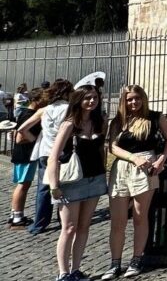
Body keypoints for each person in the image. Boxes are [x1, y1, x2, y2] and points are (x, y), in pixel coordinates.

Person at [101, 86, 167, 279]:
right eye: (130, 99)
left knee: (141, 217)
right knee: (118, 221)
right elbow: (112, 147)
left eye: (137, 98)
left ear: (143, 98)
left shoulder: (155, 117)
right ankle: (115, 263)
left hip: (146, 167)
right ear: (124, 101)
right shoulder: (118, 121)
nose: (134, 103)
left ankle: (136, 259)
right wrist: (133, 158)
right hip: (123, 167)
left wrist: (161, 160)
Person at [46, 85, 108, 281]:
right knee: (69, 227)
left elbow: (102, 150)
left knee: (84, 226)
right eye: (87, 98)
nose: (91, 101)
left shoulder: (100, 122)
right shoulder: (69, 124)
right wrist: (54, 186)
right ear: (78, 100)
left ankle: (76, 269)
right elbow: (53, 157)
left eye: (95, 98)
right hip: (72, 182)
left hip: (95, 179)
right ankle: (63, 273)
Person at [20, 78, 73, 236]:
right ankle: (63, 218)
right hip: (63, 151)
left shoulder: (45, 109)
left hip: (45, 151)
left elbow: (22, 129)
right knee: (65, 185)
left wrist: (34, 139)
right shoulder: (70, 109)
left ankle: (39, 223)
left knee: (44, 188)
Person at [9, 88, 43, 228]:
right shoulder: (30, 114)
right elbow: (19, 137)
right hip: (26, 154)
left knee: (22, 185)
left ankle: (15, 213)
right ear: (38, 100)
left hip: (22, 153)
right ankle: (17, 216)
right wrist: (35, 140)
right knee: (23, 185)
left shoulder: (25, 112)